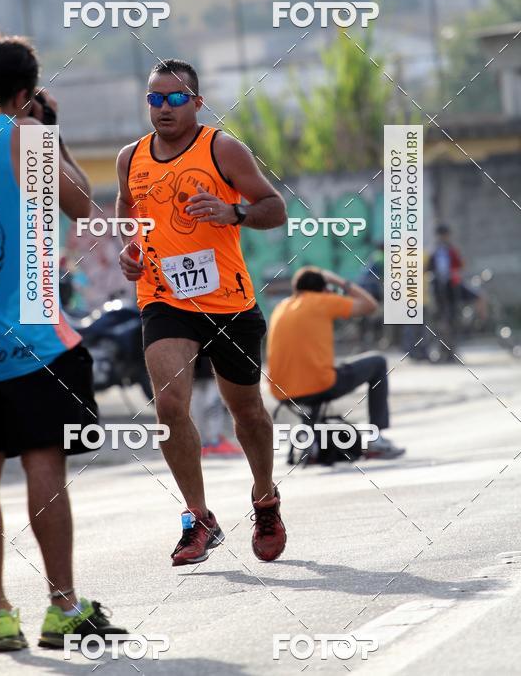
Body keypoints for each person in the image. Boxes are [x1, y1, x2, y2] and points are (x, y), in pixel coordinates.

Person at [0, 34, 127, 652]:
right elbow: (84, 207)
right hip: (36, 340)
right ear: (21, 93)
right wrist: (47, 133)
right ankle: (62, 606)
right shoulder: (22, 138)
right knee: (44, 465)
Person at [117, 59, 288, 566]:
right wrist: (133, 251)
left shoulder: (222, 148)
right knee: (170, 408)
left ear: (197, 101)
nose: (163, 108)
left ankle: (265, 499)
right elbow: (133, 215)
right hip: (164, 299)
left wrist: (233, 211)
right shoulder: (131, 157)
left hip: (229, 302)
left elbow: (274, 207)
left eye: (174, 98)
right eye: (154, 98)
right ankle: (197, 517)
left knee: (249, 413)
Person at [267, 266, 405, 459]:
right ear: (324, 288)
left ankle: (312, 442)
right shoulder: (323, 301)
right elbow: (370, 305)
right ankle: (376, 439)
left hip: (280, 391)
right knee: (378, 362)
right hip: (319, 385)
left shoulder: (281, 307)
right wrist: (340, 282)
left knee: (316, 375)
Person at [191, 355, 243, 457]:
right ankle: (213, 441)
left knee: (198, 399)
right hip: (209, 361)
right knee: (212, 401)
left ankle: (205, 442)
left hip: (192, 360)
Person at [427, 224, 464, 358]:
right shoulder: (434, 251)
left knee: (453, 318)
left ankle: (452, 351)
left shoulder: (452, 250)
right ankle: (442, 350)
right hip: (438, 290)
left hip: (451, 289)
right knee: (440, 320)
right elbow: (428, 268)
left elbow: (459, 265)